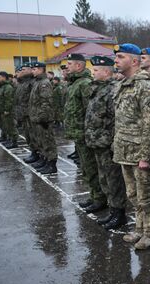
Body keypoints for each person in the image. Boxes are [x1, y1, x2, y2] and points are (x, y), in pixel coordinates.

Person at [113, 43, 150, 250]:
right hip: (124, 149)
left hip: (140, 152)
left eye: (120, 57)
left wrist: (145, 156)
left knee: (147, 195)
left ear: (134, 61)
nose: (116, 60)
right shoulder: (123, 84)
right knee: (133, 194)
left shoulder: (146, 86)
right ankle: (140, 228)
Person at [85, 56, 128, 230]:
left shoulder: (111, 90)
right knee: (104, 178)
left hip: (107, 143)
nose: (93, 73)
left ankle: (119, 213)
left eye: (96, 70)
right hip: (97, 142)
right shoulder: (97, 89)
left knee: (114, 180)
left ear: (106, 72)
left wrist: (112, 144)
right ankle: (112, 210)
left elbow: (116, 119)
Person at [64, 53, 107, 214]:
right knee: (86, 168)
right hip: (79, 133)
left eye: (69, 64)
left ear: (79, 66)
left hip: (85, 133)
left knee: (92, 168)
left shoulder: (84, 84)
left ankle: (99, 198)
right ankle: (94, 195)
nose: (67, 67)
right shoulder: (75, 83)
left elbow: (91, 111)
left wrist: (89, 132)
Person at [28, 62, 58, 174]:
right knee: (41, 141)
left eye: (35, 69)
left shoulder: (44, 83)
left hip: (43, 119)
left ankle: (51, 165)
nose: (33, 71)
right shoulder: (38, 82)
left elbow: (46, 102)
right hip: (37, 118)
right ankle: (45, 161)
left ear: (41, 69)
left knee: (48, 142)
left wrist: (43, 118)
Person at [0, 72, 18, 148]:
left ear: (4, 77)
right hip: (1, 110)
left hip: (7, 111)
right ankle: (9, 139)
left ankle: (14, 142)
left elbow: (9, 100)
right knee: (5, 126)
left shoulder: (8, 87)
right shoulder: (1, 86)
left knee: (10, 126)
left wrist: (7, 110)